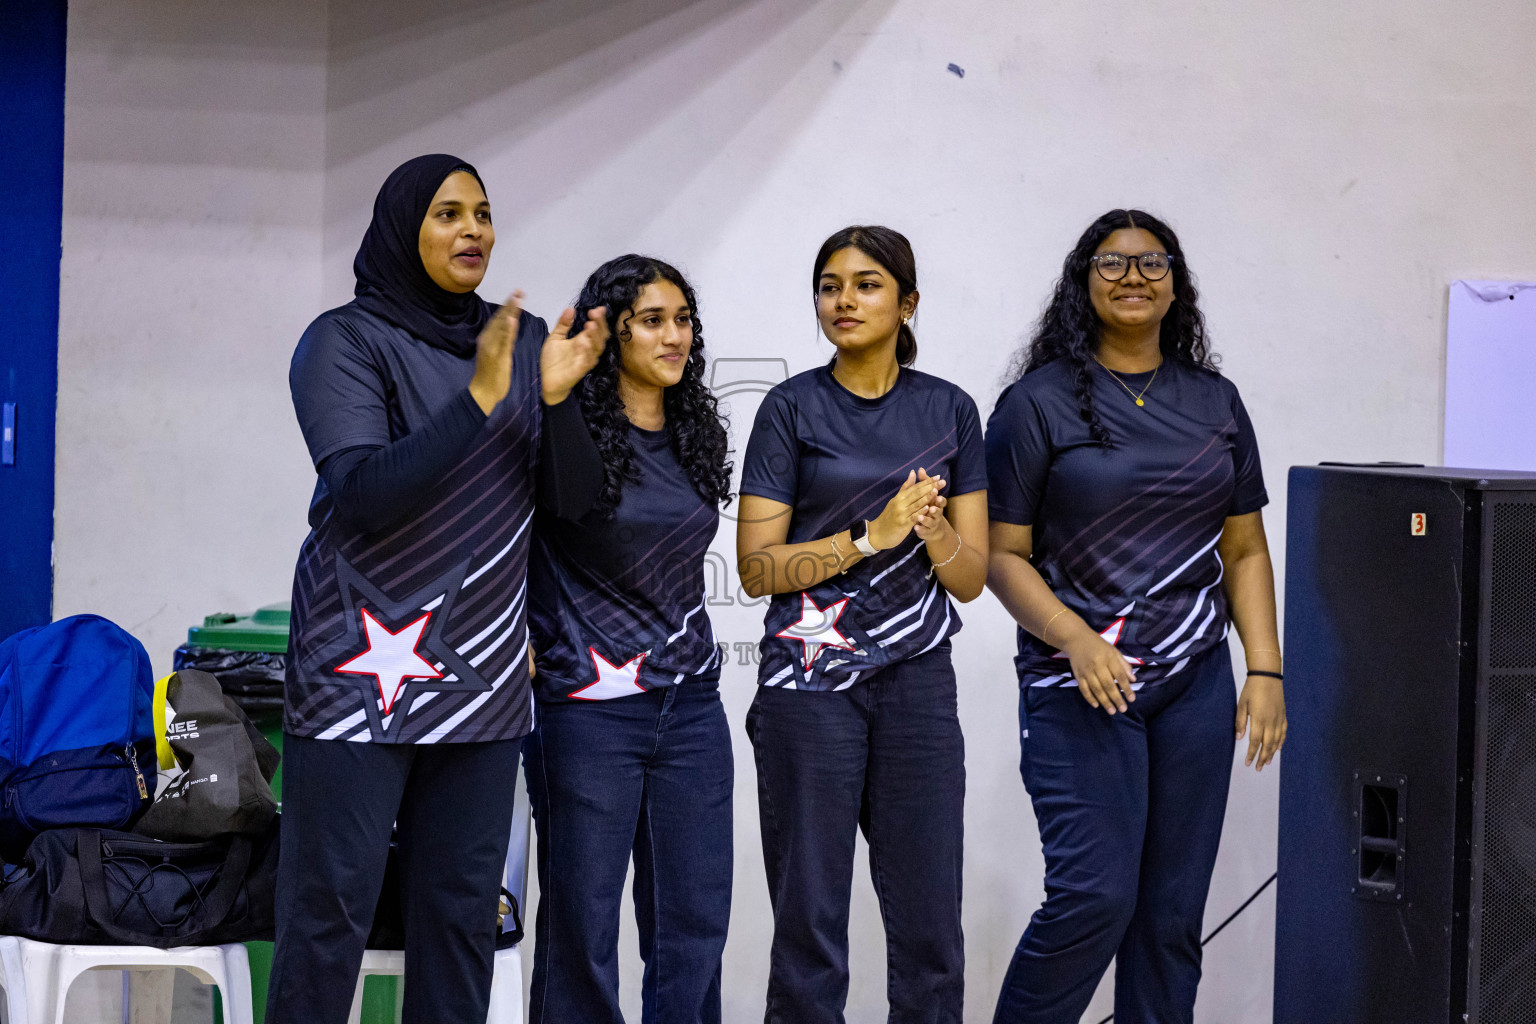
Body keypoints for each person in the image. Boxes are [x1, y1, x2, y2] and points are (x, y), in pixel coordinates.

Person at [269, 153, 609, 1024]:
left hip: (483, 678)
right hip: (357, 670)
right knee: (328, 916)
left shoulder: (522, 340)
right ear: (402, 229)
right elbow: (366, 493)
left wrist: (559, 399)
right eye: (448, 214)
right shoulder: (343, 340)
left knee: (460, 920)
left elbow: (574, 507)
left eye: (484, 214)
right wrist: (482, 397)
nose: (473, 231)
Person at [984, 209, 1288, 1024]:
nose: (1133, 278)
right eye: (1112, 264)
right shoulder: (1036, 404)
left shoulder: (1215, 402)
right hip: (1079, 682)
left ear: (1176, 284)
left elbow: (1246, 550)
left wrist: (1265, 668)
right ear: (1083, 280)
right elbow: (1000, 556)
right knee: (1094, 896)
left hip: (1193, 682)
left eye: (1152, 263)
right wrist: (1075, 639)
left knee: (1168, 918)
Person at [736, 225, 989, 1024]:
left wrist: (933, 530)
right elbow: (756, 569)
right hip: (809, 687)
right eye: (830, 285)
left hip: (917, 686)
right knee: (810, 927)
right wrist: (867, 538)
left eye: (867, 283)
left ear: (908, 302)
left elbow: (972, 579)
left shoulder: (950, 409)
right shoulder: (791, 407)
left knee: (929, 928)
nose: (844, 300)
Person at [523, 255, 735, 1024]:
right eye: (653, 320)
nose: (675, 335)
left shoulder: (693, 432)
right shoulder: (560, 425)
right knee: (583, 926)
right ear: (608, 332)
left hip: (690, 705)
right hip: (586, 708)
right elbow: (566, 508)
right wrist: (554, 394)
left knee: (695, 925)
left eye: (683, 320)